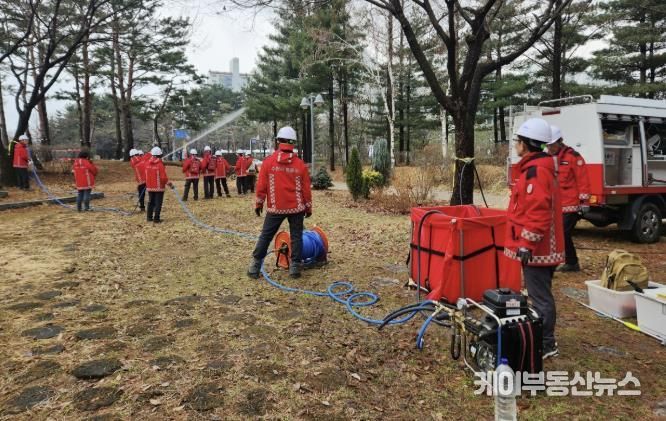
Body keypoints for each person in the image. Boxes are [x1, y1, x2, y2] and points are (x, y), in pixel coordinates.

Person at [505, 118, 564, 360]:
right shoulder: (535, 168)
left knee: (540, 297)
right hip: (538, 247)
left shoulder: (536, 171)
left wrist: (527, 244)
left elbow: (538, 212)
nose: (515, 145)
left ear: (525, 144)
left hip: (539, 249)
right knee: (539, 294)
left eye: (517, 141)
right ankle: (542, 338)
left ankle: (546, 343)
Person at [248, 127, 312, 279]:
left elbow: (261, 186)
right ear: (293, 143)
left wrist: (259, 204)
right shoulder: (300, 165)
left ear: (278, 141)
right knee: (296, 237)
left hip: (276, 208)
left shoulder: (268, 163)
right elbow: (306, 189)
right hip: (296, 208)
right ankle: (295, 267)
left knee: (266, 236)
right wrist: (308, 207)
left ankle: (255, 266)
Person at [546, 125, 591, 272]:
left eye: (552, 145)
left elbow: (583, 180)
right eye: (548, 145)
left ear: (560, 142)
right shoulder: (547, 157)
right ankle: (571, 262)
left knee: (563, 233)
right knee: (556, 234)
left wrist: (584, 202)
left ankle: (567, 262)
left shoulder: (573, 157)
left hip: (570, 204)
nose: (549, 148)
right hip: (554, 204)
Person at [144, 147, 173, 223]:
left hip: (150, 187)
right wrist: (169, 184)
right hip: (159, 188)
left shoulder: (147, 163)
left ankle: (149, 218)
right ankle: (156, 219)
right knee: (158, 203)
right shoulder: (160, 165)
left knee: (150, 202)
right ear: (160, 155)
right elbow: (163, 177)